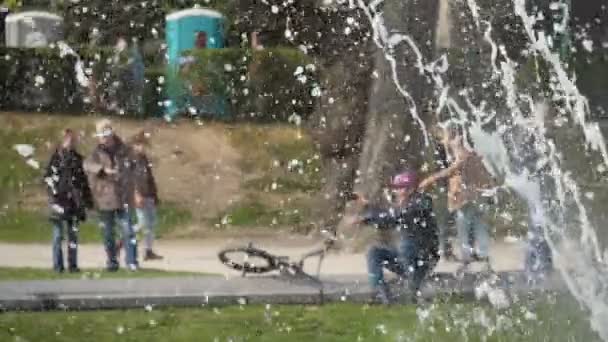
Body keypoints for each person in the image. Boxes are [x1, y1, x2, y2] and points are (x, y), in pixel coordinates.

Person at [356, 170, 439, 303]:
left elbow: (396, 215)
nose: (397, 192)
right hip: (406, 259)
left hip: (421, 260)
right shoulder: (404, 205)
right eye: (396, 188)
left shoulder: (422, 202)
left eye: (401, 188)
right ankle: (381, 293)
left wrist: (369, 217)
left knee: (407, 245)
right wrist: (369, 209)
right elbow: (388, 220)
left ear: (411, 189)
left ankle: (413, 289)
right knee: (374, 253)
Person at [419, 124, 495, 266]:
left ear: (456, 138)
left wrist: (429, 180)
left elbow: (451, 170)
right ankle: (482, 253)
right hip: (476, 196)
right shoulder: (473, 154)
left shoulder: (462, 153)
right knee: (478, 224)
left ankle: (467, 255)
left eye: (446, 137)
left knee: (463, 225)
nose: (444, 142)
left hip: (465, 197)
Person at [84, 119, 139, 271]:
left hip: (123, 196)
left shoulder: (125, 149)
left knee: (128, 230)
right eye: (100, 134)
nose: (103, 137)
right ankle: (112, 262)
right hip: (105, 198)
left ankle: (132, 262)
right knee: (108, 233)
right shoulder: (96, 153)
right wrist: (103, 170)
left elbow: (134, 166)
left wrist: (130, 181)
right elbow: (87, 165)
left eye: (105, 134)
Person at [44, 129, 93, 273]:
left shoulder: (78, 158)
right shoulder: (57, 158)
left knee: (73, 236)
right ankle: (58, 266)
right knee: (58, 236)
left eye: (73, 140)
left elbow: (83, 181)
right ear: (63, 141)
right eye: (68, 140)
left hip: (74, 202)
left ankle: (73, 265)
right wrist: (53, 196)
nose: (71, 142)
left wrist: (87, 200)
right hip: (59, 200)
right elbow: (48, 178)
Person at [130, 131, 163, 261]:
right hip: (139, 195)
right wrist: (135, 194)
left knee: (151, 224)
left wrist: (155, 196)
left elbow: (150, 179)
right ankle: (125, 236)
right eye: (139, 144)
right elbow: (129, 179)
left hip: (149, 195)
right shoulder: (131, 160)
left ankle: (148, 251)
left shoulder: (144, 159)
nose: (142, 147)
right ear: (134, 145)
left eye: (144, 145)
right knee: (143, 223)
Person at [430, 125, 456, 260]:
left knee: (451, 220)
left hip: (453, 187)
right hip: (444, 187)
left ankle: (448, 250)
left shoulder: (453, 147)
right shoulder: (440, 148)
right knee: (445, 220)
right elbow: (442, 168)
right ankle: (445, 250)